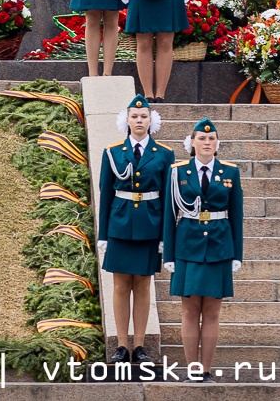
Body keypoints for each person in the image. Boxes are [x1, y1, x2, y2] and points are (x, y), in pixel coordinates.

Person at [162, 117, 243, 383]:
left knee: (212, 312)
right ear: (192, 142)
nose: (207, 142)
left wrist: (237, 254)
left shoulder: (230, 172)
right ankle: (192, 369)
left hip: (219, 247)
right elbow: (169, 214)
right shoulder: (178, 172)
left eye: (211, 138)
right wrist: (169, 254)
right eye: (202, 138)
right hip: (187, 246)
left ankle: (206, 370)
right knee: (189, 310)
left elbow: (236, 215)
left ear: (217, 143)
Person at [96, 96, 175, 366]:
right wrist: (103, 234)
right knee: (120, 285)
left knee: (143, 284)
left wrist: (166, 236)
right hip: (120, 222)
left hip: (150, 224)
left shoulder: (164, 154)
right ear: (126, 120)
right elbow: (105, 193)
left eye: (144, 117)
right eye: (134, 117)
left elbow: (168, 198)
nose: (139, 121)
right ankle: (120, 345)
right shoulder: (113, 151)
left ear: (151, 120)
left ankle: (139, 345)